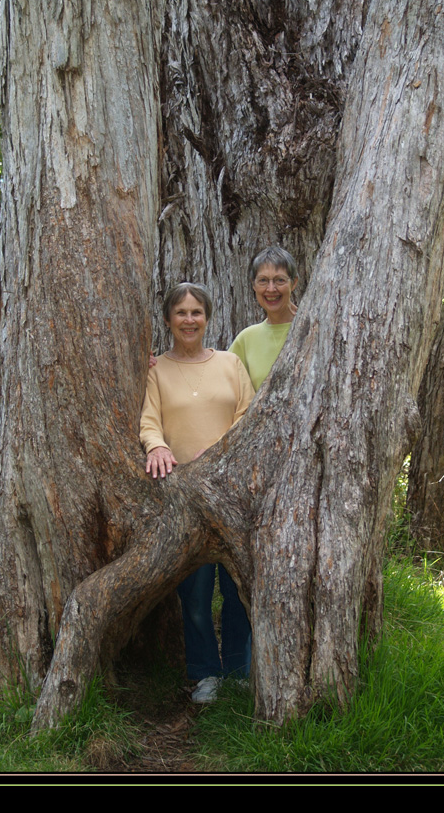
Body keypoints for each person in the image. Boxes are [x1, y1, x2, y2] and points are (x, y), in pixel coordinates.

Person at [140, 282, 255, 703]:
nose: (189, 320)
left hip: (233, 492)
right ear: (168, 319)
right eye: (181, 313)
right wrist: (157, 445)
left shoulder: (230, 364)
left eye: (197, 312)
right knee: (195, 591)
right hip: (184, 496)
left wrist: (224, 451)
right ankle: (206, 673)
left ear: (208, 317)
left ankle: (239, 672)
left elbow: (249, 414)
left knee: (238, 584)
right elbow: (149, 418)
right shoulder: (155, 369)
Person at [228, 246, 299, 390]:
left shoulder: (313, 329)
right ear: (253, 284)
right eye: (263, 281)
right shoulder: (246, 340)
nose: (271, 289)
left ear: (294, 283)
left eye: (279, 280)